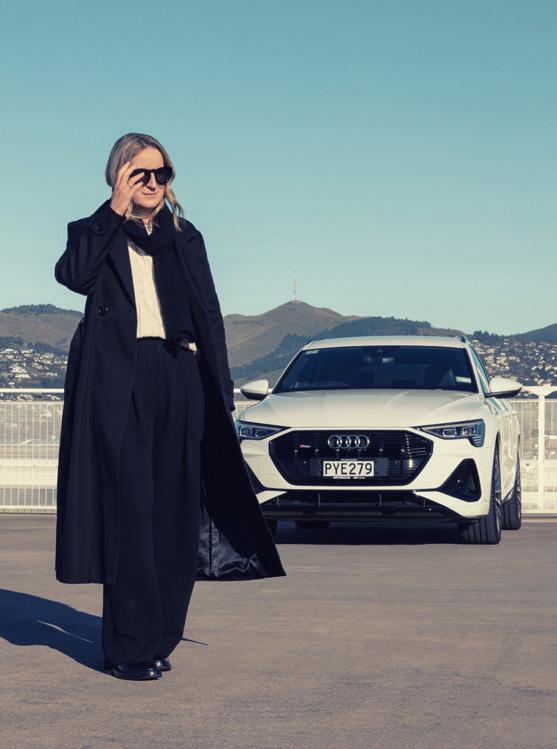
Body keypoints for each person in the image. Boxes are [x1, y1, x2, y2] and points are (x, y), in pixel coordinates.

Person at [54, 133, 286, 681]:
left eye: (162, 173)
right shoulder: (94, 230)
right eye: (141, 173)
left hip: (181, 375)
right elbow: (74, 276)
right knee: (131, 513)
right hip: (121, 381)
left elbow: (209, 315)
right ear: (119, 176)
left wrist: (220, 392)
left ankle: (161, 637)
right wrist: (113, 211)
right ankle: (129, 648)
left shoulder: (185, 236)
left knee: (177, 514)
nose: (154, 182)